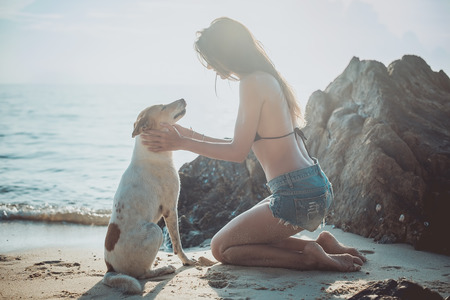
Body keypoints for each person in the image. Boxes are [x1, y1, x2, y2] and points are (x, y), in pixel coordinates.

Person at [141, 17, 366, 272]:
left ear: (226, 53)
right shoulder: (269, 78)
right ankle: (321, 244)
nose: (213, 68)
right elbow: (242, 143)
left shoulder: (251, 83)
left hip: (297, 195)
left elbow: (237, 152)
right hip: (315, 186)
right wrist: (188, 136)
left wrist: (182, 143)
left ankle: (308, 257)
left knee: (221, 248)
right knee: (243, 239)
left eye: (212, 59)